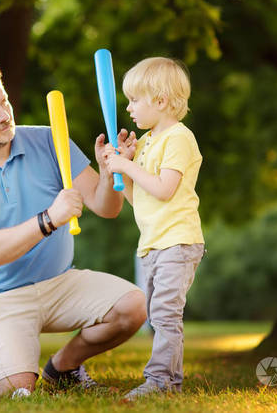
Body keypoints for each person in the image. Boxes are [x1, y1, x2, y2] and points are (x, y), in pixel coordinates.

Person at [0, 61, 146, 397]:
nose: (3, 115)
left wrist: (110, 174)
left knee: (133, 306)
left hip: (59, 282)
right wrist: (48, 219)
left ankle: (62, 369)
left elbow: (106, 207)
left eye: (3, 102)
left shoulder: (48, 140)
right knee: (14, 390)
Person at [103, 57, 205, 399]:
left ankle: (161, 382)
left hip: (177, 241)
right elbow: (139, 199)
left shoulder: (178, 138)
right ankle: (166, 381)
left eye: (135, 100)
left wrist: (127, 167)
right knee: (157, 315)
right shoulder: (147, 141)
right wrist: (122, 167)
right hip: (152, 243)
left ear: (160, 102)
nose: (129, 108)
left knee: (164, 314)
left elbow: (164, 189)